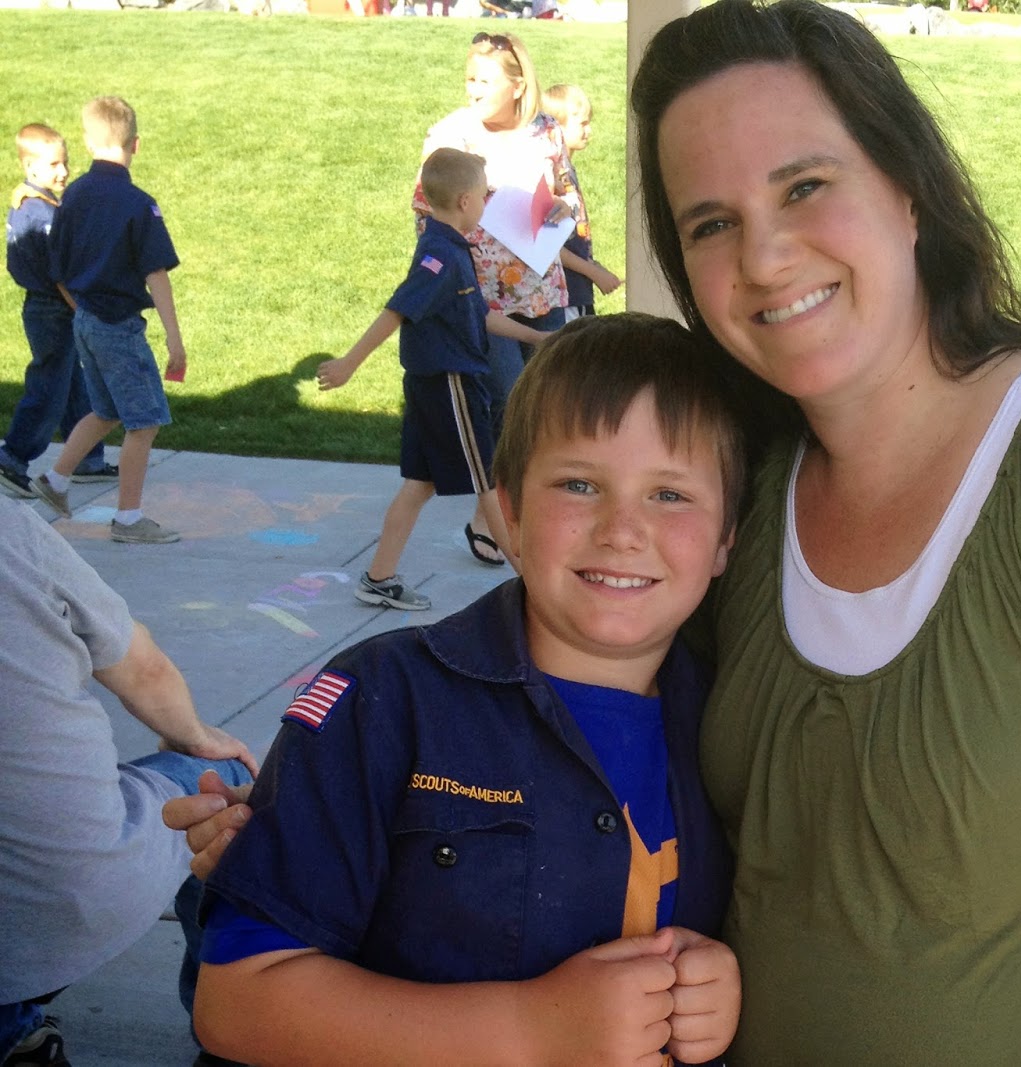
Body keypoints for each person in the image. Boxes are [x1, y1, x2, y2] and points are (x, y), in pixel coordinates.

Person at [172, 1, 1021, 1062]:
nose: (763, 256)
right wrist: (303, 821)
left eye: (805, 185)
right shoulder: (747, 497)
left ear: (909, 188)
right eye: (712, 223)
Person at [193, 314, 742, 1067]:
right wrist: (532, 1030)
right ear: (508, 512)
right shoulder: (381, 700)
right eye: (579, 484)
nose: (622, 530)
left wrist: (713, 989)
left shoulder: (735, 727)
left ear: (726, 538)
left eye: (670, 495)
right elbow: (237, 1002)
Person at [0, 495, 257, 1067]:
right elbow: (144, 670)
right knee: (223, 786)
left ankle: (18, 1027)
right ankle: (229, 1033)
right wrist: (196, 737)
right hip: (51, 917)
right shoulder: (10, 531)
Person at [314, 148, 544, 613]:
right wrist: (349, 363)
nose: (487, 202)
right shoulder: (440, 256)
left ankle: (379, 578)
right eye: (484, 195)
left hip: (434, 384)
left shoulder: (451, 248)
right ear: (464, 201)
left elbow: (478, 315)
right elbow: (399, 308)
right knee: (487, 480)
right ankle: (535, 586)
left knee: (419, 484)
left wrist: (537, 338)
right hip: (450, 383)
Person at [414, 30, 579, 567]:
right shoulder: (449, 137)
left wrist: (562, 209)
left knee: (550, 404)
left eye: (484, 81)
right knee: (507, 404)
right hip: (482, 304)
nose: (473, 89)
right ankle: (493, 517)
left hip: (544, 292)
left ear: (517, 85)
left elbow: (569, 196)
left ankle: (537, 510)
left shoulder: (546, 131)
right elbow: (426, 218)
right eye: (470, 79)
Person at [32, 97, 186, 544]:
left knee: (107, 410)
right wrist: (174, 340)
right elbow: (156, 274)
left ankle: (56, 480)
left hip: (85, 320)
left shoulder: (73, 195)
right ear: (136, 144)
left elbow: (56, 269)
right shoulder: (138, 204)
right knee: (145, 420)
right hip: (118, 325)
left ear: (87, 142)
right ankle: (129, 519)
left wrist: (84, 310)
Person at [1, 123, 116, 501]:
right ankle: (12, 458)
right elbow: (60, 275)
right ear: (30, 166)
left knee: (74, 383)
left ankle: (86, 459)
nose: (64, 171)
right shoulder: (41, 213)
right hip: (53, 308)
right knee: (49, 387)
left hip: (46, 306)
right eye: (54, 165)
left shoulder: (30, 201)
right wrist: (82, 309)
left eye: (65, 162)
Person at [542, 83, 623, 322]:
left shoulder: (568, 170)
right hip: (563, 294)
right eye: (582, 123)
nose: (589, 130)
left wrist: (594, 266)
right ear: (556, 127)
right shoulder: (553, 177)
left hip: (578, 290)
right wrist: (593, 273)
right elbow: (548, 243)